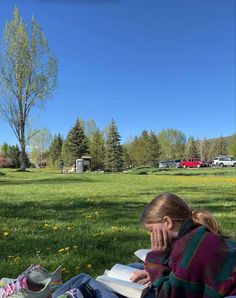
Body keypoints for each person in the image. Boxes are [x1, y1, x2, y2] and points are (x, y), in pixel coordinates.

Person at [53, 192, 236, 298]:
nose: (150, 236)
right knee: (136, 268)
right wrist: (152, 270)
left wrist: (156, 257)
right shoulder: (192, 235)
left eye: (151, 230)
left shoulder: (192, 249)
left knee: (89, 283)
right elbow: (177, 268)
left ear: (167, 222)